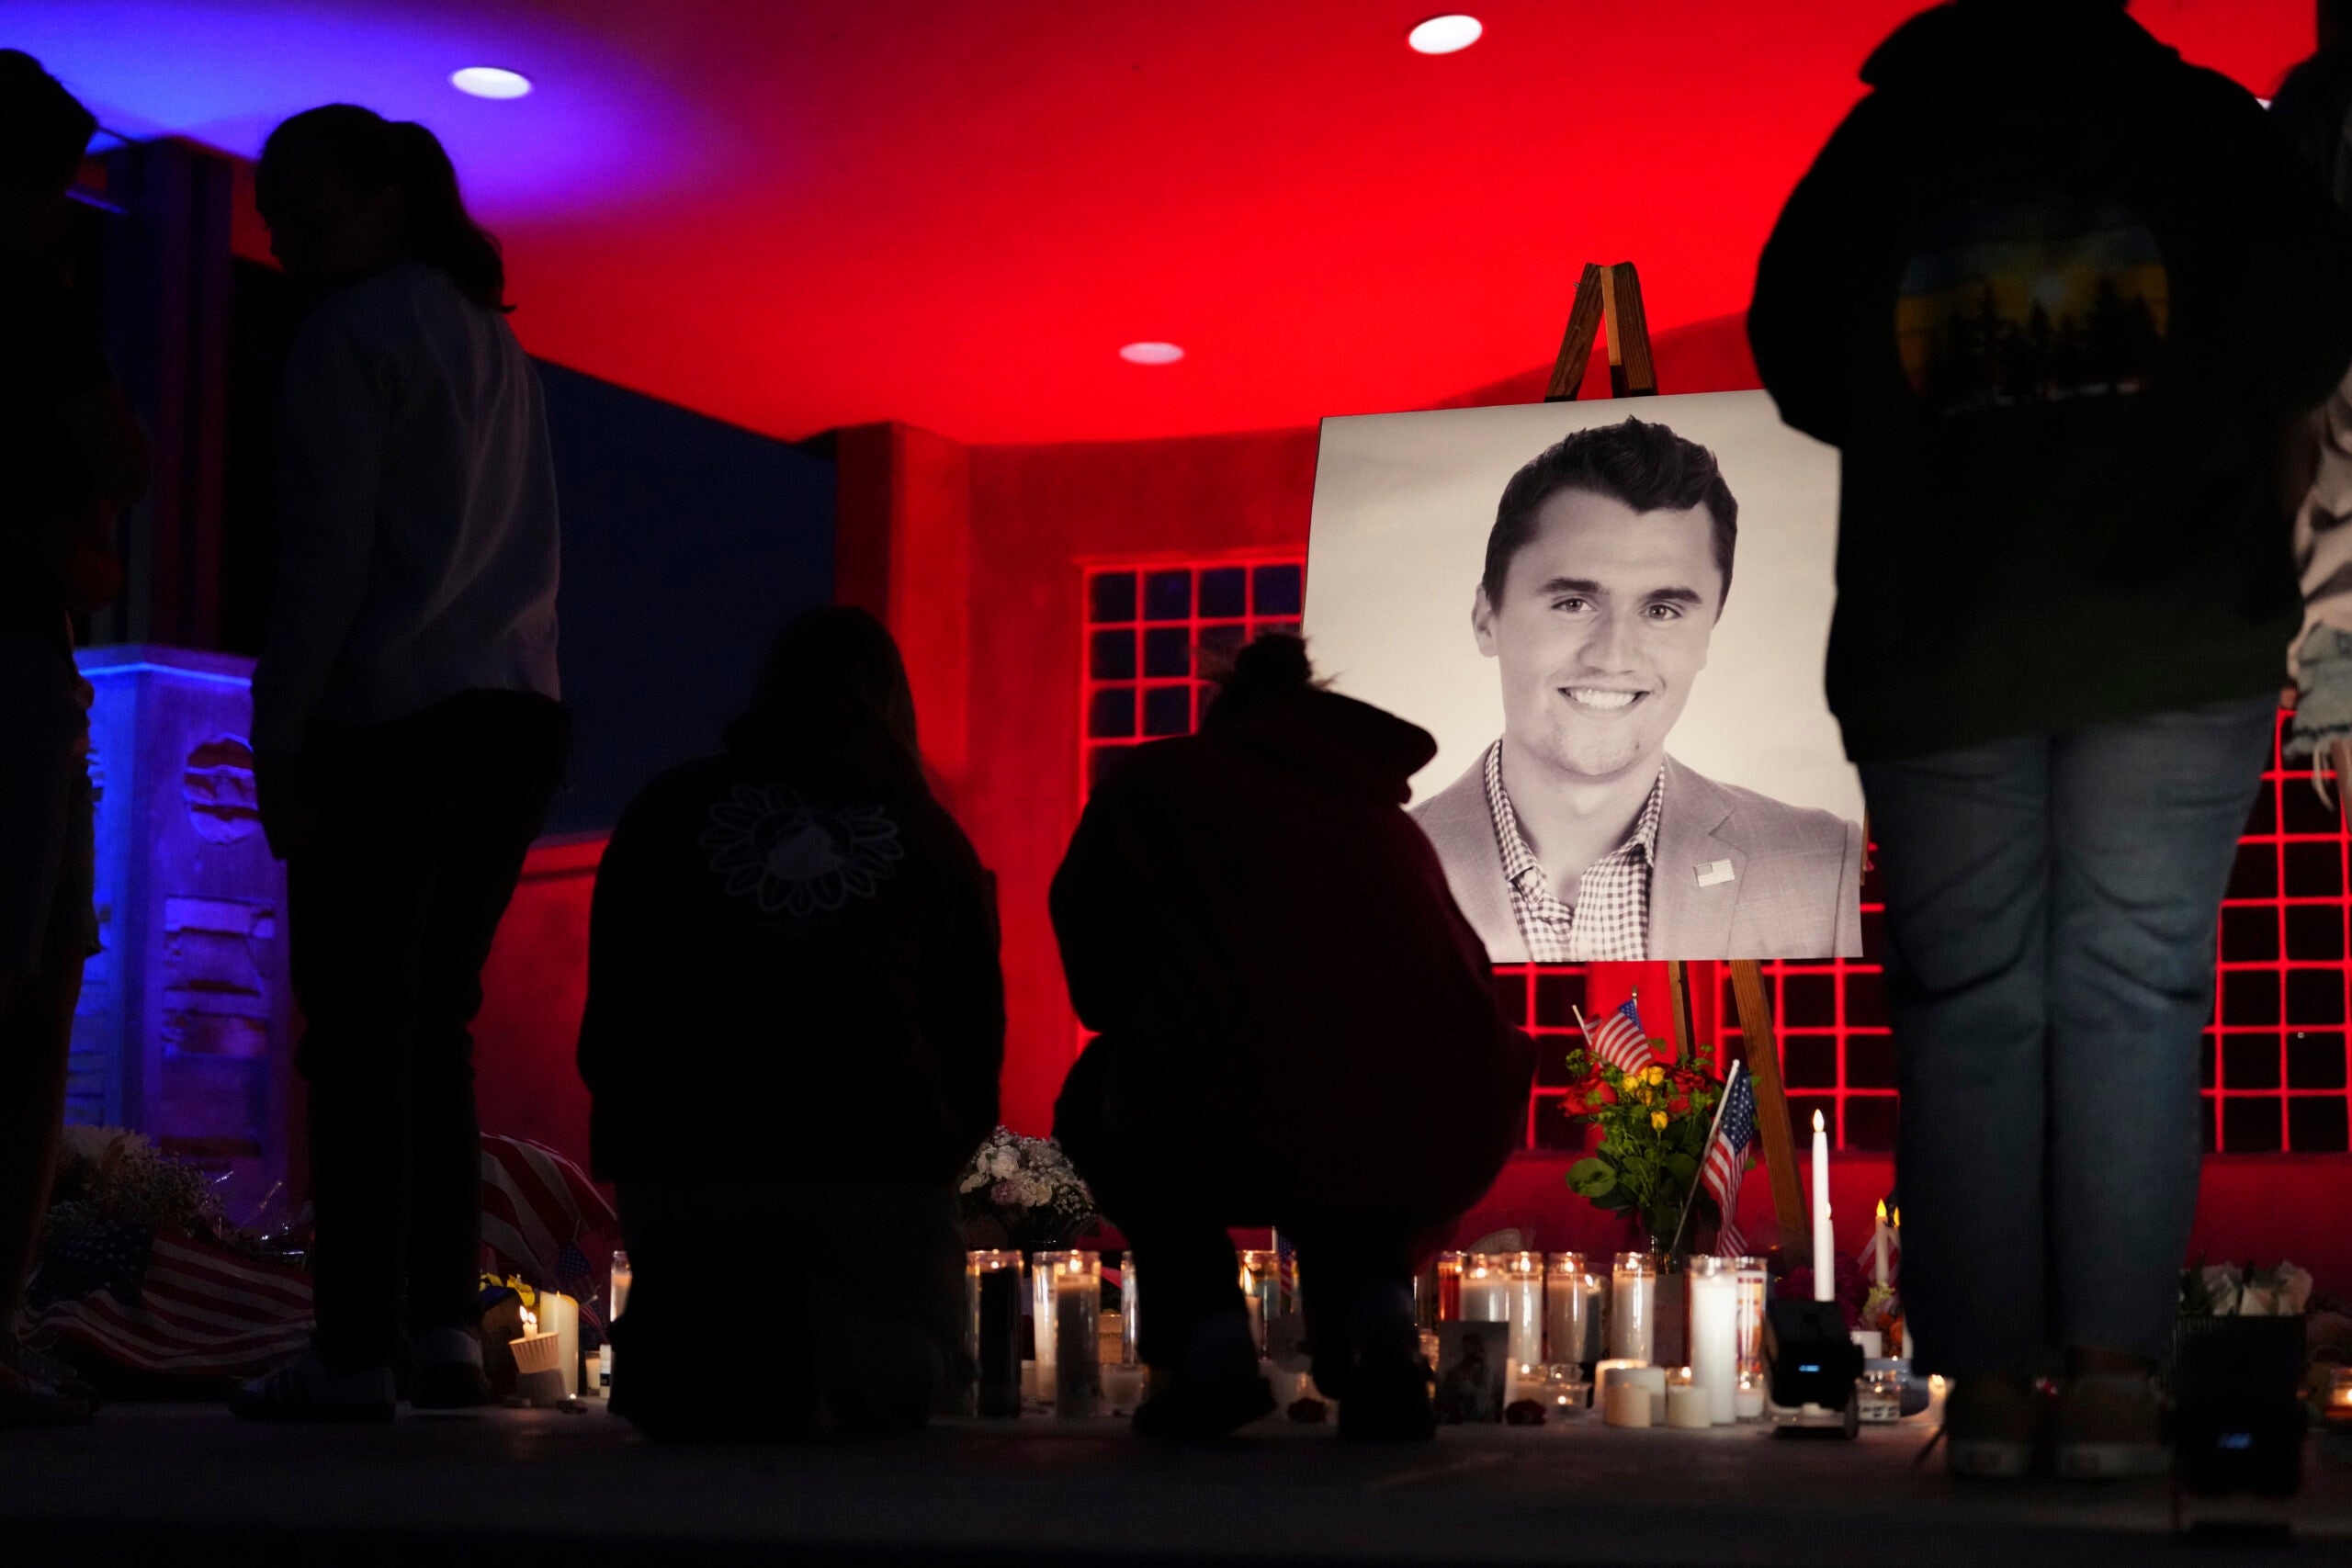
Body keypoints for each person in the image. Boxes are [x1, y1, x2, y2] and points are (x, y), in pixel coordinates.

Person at [1749, 0, 2352, 1479]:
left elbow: (1799, 353)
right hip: (2180, 615)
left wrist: (1955, 422)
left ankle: (1997, 1388)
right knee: (2139, 993)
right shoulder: (2208, 129)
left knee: (1967, 1006)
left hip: (1946, 623)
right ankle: (2106, 1384)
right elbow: (2316, 327)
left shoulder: (1888, 140)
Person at [233, 106, 568, 1420]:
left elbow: (324, 558)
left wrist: (280, 729)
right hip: (513, 716)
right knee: (435, 1027)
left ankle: (355, 1344)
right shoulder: (493, 341)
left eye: (302, 212)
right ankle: (436, 1323)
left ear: (385, 202)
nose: (284, 238)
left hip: (393, 718)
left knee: (361, 1035)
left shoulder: (345, 338)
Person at [1052, 633, 1533, 1440]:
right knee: (1338, 1107)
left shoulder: (1157, 786)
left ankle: (1208, 1345)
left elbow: (1097, 986)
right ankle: (1379, 1334)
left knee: (1105, 1095)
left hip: (1276, 1096)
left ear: (1222, 717)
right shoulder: (1383, 813)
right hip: (1451, 1109)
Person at [577, 606, 1003, 1439]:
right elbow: (975, 1046)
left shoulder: (667, 811)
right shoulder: (931, 840)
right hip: (876, 1173)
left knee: (699, 1348)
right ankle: (829, 1355)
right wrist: (928, 1151)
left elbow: (615, 1010)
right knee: (941, 1362)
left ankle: (696, 1348)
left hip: (689, 1172)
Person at [1412, 416, 1863, 963]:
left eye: (1661, 610)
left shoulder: (1826, 867)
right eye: (1573, 603)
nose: (1613, 657)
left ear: (1708, 633)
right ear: (1487, 617)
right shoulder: (1359, 872)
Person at [0, 51, 144, 1428]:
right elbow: (126, 451)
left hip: (36, 654)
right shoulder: (32, 303)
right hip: (19, 661)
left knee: (40, 983)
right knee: (29, 992)